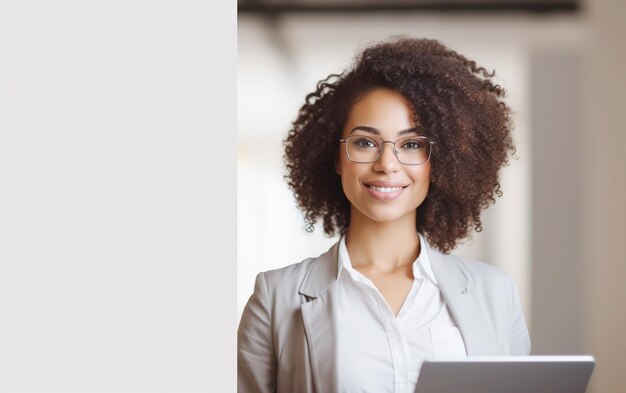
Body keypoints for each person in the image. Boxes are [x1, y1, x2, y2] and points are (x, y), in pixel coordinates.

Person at [238, 37, 530, 393]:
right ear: (335, 157)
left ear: (439, 162)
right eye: (365, 142)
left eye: (411, 144)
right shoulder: (276, 298)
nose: (387, 164)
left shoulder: (496, 293)